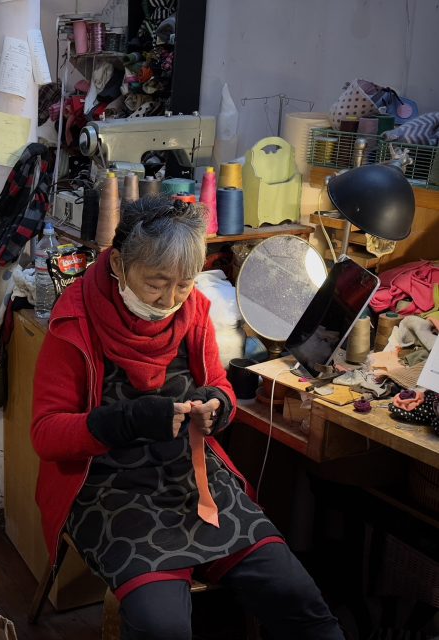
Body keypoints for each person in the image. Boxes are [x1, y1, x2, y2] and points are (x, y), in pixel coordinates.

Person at [30, 197, 344, 639]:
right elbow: (45, 435)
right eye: (156, 283)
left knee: (297, 597)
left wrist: (218, 404)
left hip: (192, 478)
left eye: (183, 284)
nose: (170, 299)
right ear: (118, 264)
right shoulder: (76, 321)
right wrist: (126, 421)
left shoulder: (193, 310)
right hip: (108, 488)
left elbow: (219, 382)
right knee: (162, 626)